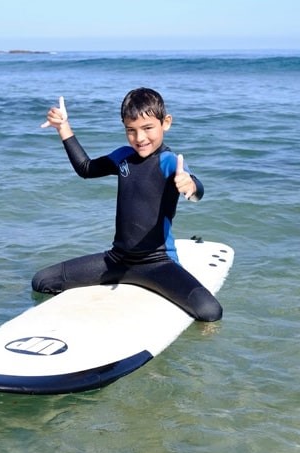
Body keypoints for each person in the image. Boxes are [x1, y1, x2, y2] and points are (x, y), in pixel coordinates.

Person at [32, 88, 222, 321]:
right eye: (130, 130)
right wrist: (63, 128)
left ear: (166, 123)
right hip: (117, 260)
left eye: (148, 128)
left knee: (210, 312)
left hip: (158, 264)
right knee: (41, 281)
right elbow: (86, 169)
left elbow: (196, 191)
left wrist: (190, 186)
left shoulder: (168, 161)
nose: (139, 138)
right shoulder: (123, 157)